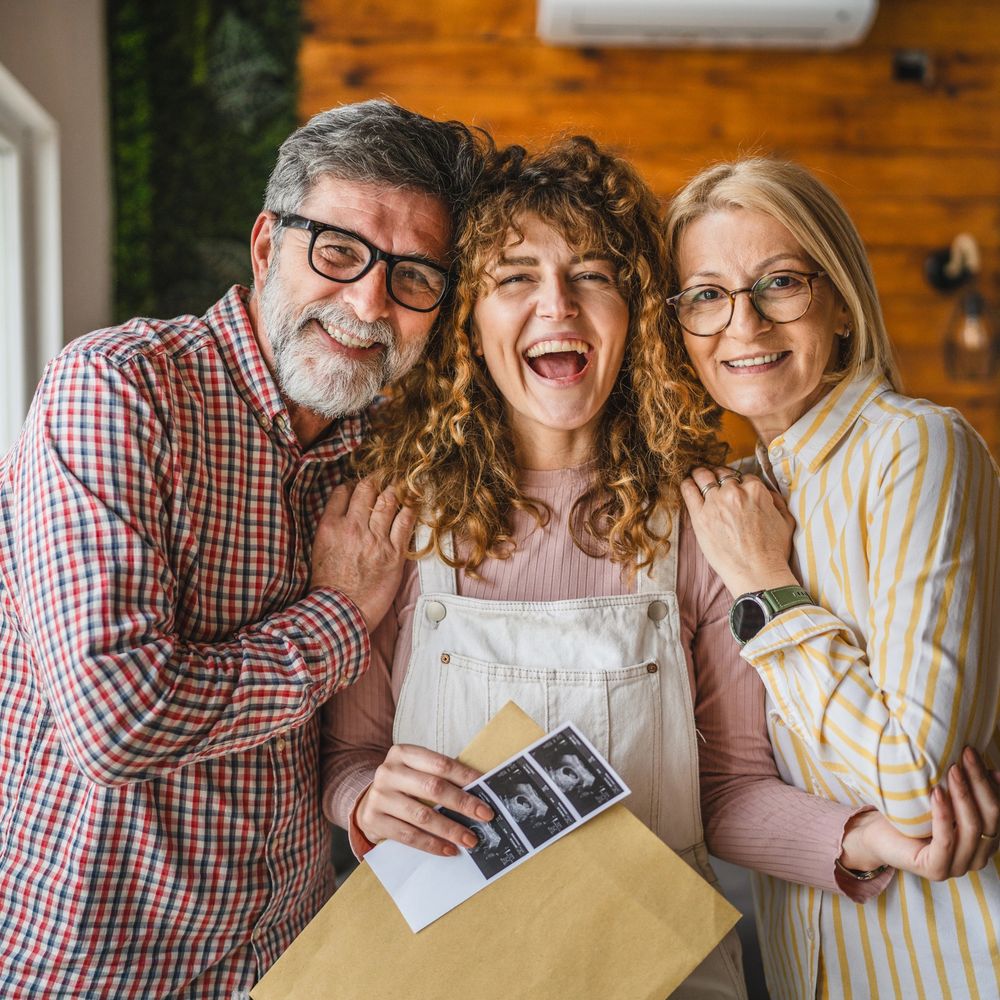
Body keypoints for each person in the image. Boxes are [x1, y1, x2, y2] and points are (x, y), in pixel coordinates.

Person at [320, 137, 999, 999]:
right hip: (454, 967)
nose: (557, 305)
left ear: (638, 313)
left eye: (594, 274)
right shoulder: (398, 520)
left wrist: (869, 841)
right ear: (469, 322)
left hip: (662, 973)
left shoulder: (702, 523)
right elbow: (350, 755)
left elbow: (729, 791)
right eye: (515, 276)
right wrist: (367, 804)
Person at [0, 99, 491, 998]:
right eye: (339, 252)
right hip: (96, 971)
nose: (369, 302)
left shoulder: (387, 453)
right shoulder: (118, 389)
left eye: (415, 276)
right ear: (268, 246)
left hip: (291, 961)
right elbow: (120, 718)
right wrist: (336, 617)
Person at [668, 156, 1000, 999]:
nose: (742, 324)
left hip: (950, 963)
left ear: (843, 303)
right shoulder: (738, 495)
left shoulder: (916, 449)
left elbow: (919, 793)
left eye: (779, 283)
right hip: (812, 964)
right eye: (706, 295)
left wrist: (767, 590)